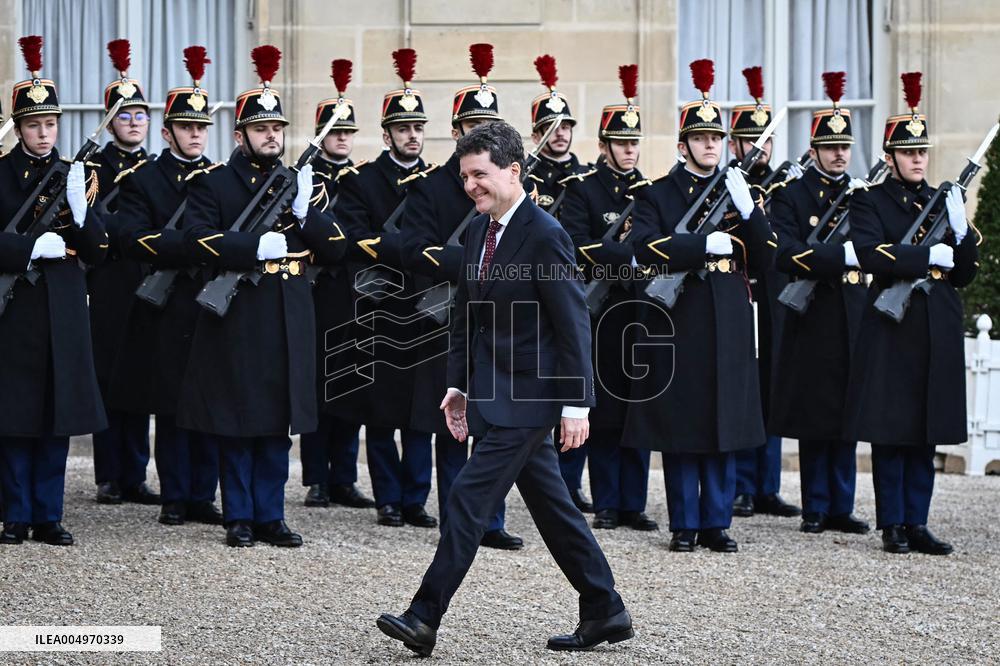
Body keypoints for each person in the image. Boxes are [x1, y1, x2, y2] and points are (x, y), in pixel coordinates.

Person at [377, 120, 632, 656]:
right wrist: (459, 386)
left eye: (480, 174)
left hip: (531, 398)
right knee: (554, 510)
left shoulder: (545, 233)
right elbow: (468, 315)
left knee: (467, 499)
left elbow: (573, 323)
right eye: (466, 176)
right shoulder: (477, 231)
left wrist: (576, 402)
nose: (471, 185)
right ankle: (606, 608)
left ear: (514, 171)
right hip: (492, 393)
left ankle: (424, 616)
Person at [177, 46, 348, 547]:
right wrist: (252, 247)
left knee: (276, 421)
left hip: (286, 312)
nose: (271, 136)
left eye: (276, 128)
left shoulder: (297, 183)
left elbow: (335, 249)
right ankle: (239, 516)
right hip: (238, 312)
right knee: (236, 418)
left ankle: (271, 515)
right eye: (260, 129)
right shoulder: (214, 182)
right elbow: (196, 239)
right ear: (240, 135)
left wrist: (305, 213)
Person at [624, 59, 774, 553]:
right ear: (683, 143)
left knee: (725, 420)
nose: (711, 144)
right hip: (682, 314)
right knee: (684, 421)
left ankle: (718, 522)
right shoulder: (659, 194)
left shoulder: (739, 190)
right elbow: (643, 246)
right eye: (701, 137)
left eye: (717, 138)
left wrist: (749, 211)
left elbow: (769, 256)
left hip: (728, 313)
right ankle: (685, 523)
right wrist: (697, 247)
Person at [846, 72, 978, 555]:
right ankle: (892, 523)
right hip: (892, 323)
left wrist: (961, 234)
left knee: (926, 427)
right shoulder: (869, 201)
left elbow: (965, 273)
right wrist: (925, 258)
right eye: (908, 152)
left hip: (936, 320)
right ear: (890, 157)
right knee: (891, 427)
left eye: (922, 152)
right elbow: (868, 253)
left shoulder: (943, 201)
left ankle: (918, 521)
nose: (918, 159)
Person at [400, 43, 519, 550]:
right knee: (454, 424)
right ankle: (458, 522)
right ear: (455, 133)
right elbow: (414, 249)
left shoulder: (507, 186)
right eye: (471, 127)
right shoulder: (428, 188)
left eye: (488, 127)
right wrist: (475, 262)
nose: (478, 136)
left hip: (498, 314)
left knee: (494, 422)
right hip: (448, 312)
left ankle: (488, 520)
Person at [0, 36, 108, 546]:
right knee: (15, 413)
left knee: (56, 413)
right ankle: (15, 513)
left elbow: (99, 247)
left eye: (50, 125)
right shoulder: (0, 175)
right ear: (19, 127)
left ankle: (49, 514)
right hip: (17, 305)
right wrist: (23, 249)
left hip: (62, 302)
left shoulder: (77, 175)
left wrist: (82, 213)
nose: (44, 134)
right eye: (34, 125)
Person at [113, 45, 223, 527]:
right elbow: (133, 238)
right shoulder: (146, 179)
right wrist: (192, 244)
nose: (196, 134)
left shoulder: (222, 179)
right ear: (167, 131)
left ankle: (205, 493)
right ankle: (176, 495)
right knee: (173, 404)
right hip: (169, 302)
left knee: (212, 399)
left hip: (213, 302)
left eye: (202, 127)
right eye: (187, 127)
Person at [769, 71, 871, 535]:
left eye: (845, 147)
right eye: (831, 147)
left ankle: (842, 505)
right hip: (812, 312)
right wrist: (837, 256)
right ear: (814, 149)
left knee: (848, 409)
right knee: (815, 411)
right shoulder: (793, 194)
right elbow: (786, 252)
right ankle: (815, 504)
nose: (839, 154)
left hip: (851, 308)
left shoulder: (861, 195)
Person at [559, 64, 656, 532]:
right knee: (605, 408)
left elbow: (659, 243)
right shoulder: (583, 189)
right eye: (621, 142)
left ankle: (634, 504)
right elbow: (580, 244)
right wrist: (628, 256)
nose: (630, 149)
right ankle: (607, 502)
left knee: (638, 405)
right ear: (603, 145)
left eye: (634, 142)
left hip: (638, 310)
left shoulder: (651, 193)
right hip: (600, 312)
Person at [299, 57, 374, 511]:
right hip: (316, 291)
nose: (342, 139)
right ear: (321, 136)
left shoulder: (364, 180)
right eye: (334, 132)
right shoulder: (304, 178)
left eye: (347, 132)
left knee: (350, 385)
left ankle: (344, 477)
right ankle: (317, 479)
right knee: (317, 388)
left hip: (355, 291)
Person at [728, 65, 801, 520]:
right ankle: (739, 484)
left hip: (772, 294)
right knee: (738, 387)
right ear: (735, 143)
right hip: (736, 292)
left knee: (771, 386)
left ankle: (767, 485)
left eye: (767, 140)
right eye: (752, 140)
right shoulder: (724, 183)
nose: (761, 148)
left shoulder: (786, 188)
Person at [89, 39, 159, 507]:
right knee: (109, 377)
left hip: (149, 279)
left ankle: (136, 473)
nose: (133, 123)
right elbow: (90, 221)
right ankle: (110, 475)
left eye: (139, 116)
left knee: (141, 378)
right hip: (110, 279)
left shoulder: (156, 168)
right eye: (124, 116)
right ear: (111, 122)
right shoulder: (94, 166)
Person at [527, 53, 594, 513]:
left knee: (576, 389)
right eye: (552, 126)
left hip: (577, 290)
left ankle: (570, 486)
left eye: (566, 125)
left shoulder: (589, 179)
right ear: (536, 134)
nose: (561, 133)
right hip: (531, 296)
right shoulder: (525, 178)